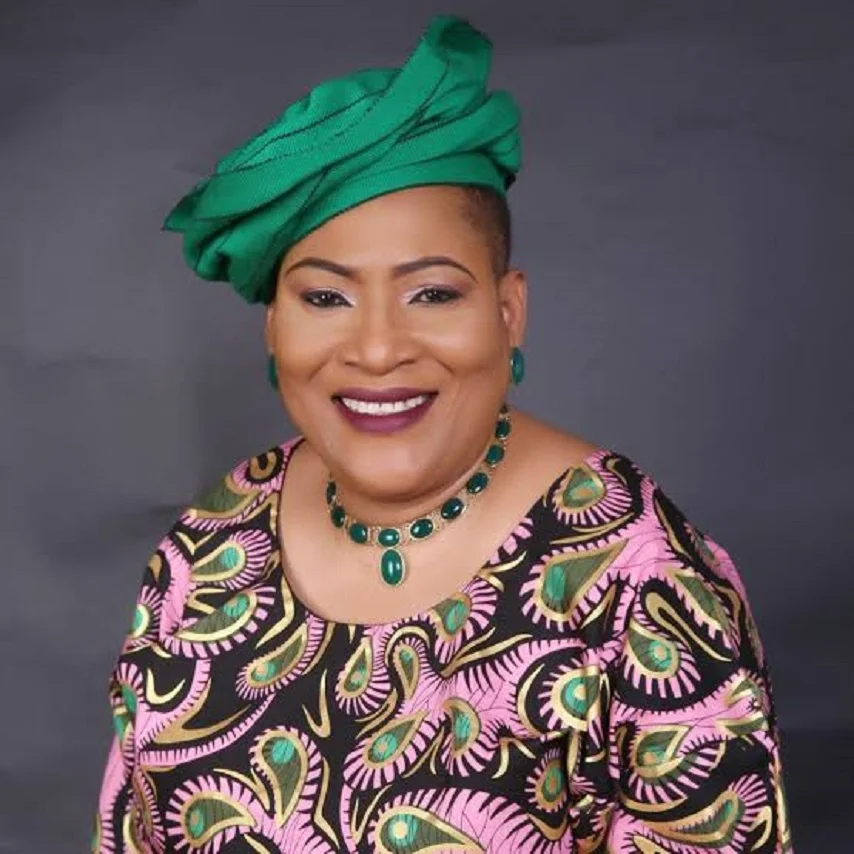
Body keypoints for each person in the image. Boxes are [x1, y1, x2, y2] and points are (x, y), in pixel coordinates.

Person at [94, 15, 791, 853]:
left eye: (432, 294)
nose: (377, 348)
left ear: (508, 312)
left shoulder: (636, 586)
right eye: (325, 298)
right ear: (274, 326)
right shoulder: (211, 545)